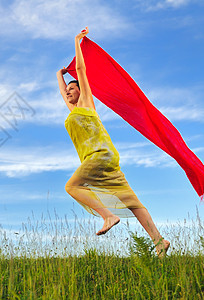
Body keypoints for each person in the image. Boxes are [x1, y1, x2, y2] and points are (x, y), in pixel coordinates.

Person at [56, 27, 170, 257]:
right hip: (105, 157)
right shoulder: (73, 110)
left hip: (100, 155)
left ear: (81, 91)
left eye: (72, 88)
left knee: (71, 187)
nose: (68, 92)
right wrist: (59, 75)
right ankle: (159, 241)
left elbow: (80, 69)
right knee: (132, 202)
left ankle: (108, 215)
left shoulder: (87, 102)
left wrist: (77, 42)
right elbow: (61, 91)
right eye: (67, 90)